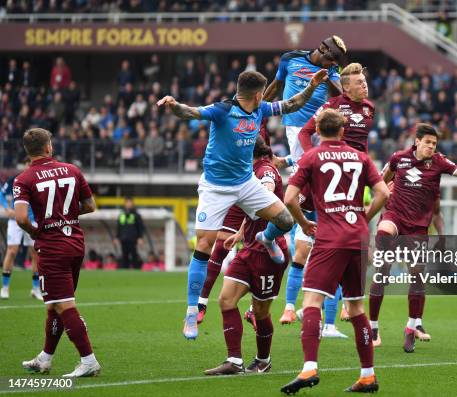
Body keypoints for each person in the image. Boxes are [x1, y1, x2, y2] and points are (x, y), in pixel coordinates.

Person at [157, 68, 328, 340]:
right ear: (258, 94)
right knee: (204, 245)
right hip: (216, 187)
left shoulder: (259, 110)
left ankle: (267, 239)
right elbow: (191, 113)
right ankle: (192, 310)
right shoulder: (223, 110)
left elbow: (293, 104)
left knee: (284, 219)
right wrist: (173, 104)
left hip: (246, 183)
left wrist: (312, 86)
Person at [280, 109, 390, 394]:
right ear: (343, 131)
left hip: (329, 237)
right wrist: (364, 217)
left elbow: (289, 197)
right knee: (355, 307)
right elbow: (384, 193)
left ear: (317, 130)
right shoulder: (361, 157)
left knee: (313, 301)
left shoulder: (312, 156)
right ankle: (368, 375)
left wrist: (305, 223)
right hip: (358, 237)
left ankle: (309, 369)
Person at [369, 123, 457, 352]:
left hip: (418, 227)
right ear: (416, 141)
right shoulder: (399, 158)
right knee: (383, 238)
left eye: (434, 143)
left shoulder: (439, 163)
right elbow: (379, 181)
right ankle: (373, 327)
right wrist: (382, 188)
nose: (431, 146)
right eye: (427, 142)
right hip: (394, 216)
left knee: (417, 276)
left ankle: (411, 327)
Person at [283, 62, 376, 337]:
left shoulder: (370, 108)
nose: (364, 85)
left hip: (356, 176)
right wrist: (315, 158)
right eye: (359, 82)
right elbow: (303, 132)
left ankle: (334, 306)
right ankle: (272, 239)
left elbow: (364, 146)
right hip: (330, 174)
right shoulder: (333, 107)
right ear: (346, 87)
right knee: (315, 233)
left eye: (365, 81)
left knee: (352, 241)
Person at [263, 36, 347, 334]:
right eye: (331, 61)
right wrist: (259, 106)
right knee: (308, 174)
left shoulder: (332, 71)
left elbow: (341, 96)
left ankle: (286, 225)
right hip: (297, 126)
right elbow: (275, 85)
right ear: (323, 51)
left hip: (321, 125)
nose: (332, 66)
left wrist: (331, 79)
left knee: (317, 171)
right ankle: (285, 227)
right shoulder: (290, 58)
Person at [15, 128, 101, 377]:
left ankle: (89, 361)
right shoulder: (72, 170)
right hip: (75, 243)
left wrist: (35, 231)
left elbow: (21, 218)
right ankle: (45, 358)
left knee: (63, 305)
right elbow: (90, 206)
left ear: (27, 151)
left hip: (52, 248)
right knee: (54, 305)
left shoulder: (24, 179)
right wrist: (65, 216)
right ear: (48, 147)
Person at [204, 137, 288, 375]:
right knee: (226, 300)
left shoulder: (266, 169)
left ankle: (263, 360)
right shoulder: (249, 170)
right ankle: (234, 361)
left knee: (261, 312)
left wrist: (261, 190)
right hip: (249, 247)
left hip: (268, 251)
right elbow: (253, 206)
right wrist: (241, 233)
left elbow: (267, 192)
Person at [1, 160, 42, 300]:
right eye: (28, 164)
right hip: (16, 219)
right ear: (24, 165)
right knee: (12, 251)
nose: (30, 167)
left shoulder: (39, 179)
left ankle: (36, 289)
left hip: (33, 220)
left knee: (36, 254)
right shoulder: (16, 179)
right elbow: (1, 193)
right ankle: (5, 287)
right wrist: (6, 208)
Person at [114, 197, 144, 269]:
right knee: (124, 255)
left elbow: (140, 227)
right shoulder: (121, 214)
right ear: (125, 204)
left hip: (133, 238)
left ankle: (136, 269)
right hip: (123, 238)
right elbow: (119, 227)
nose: (129, 204)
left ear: (133, 204)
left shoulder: (136, 214)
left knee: (134, 254)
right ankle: (125, 270)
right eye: (127, 202)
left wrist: (140, 237)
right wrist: (117, 237)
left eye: (130, 202)